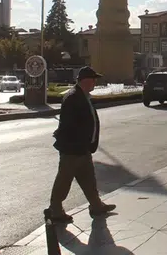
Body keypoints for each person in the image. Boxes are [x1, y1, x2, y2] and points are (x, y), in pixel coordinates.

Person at [48, 66, 116, 224]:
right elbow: (69, 125)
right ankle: (55, 210)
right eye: (93, 80)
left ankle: (96, 205)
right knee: (64, 180)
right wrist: (78, 142)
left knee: (88, 180)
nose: (94, 83)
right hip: (72, 149)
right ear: (85, 80)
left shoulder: (82, 95)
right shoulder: (73, 97)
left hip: (82, 149)